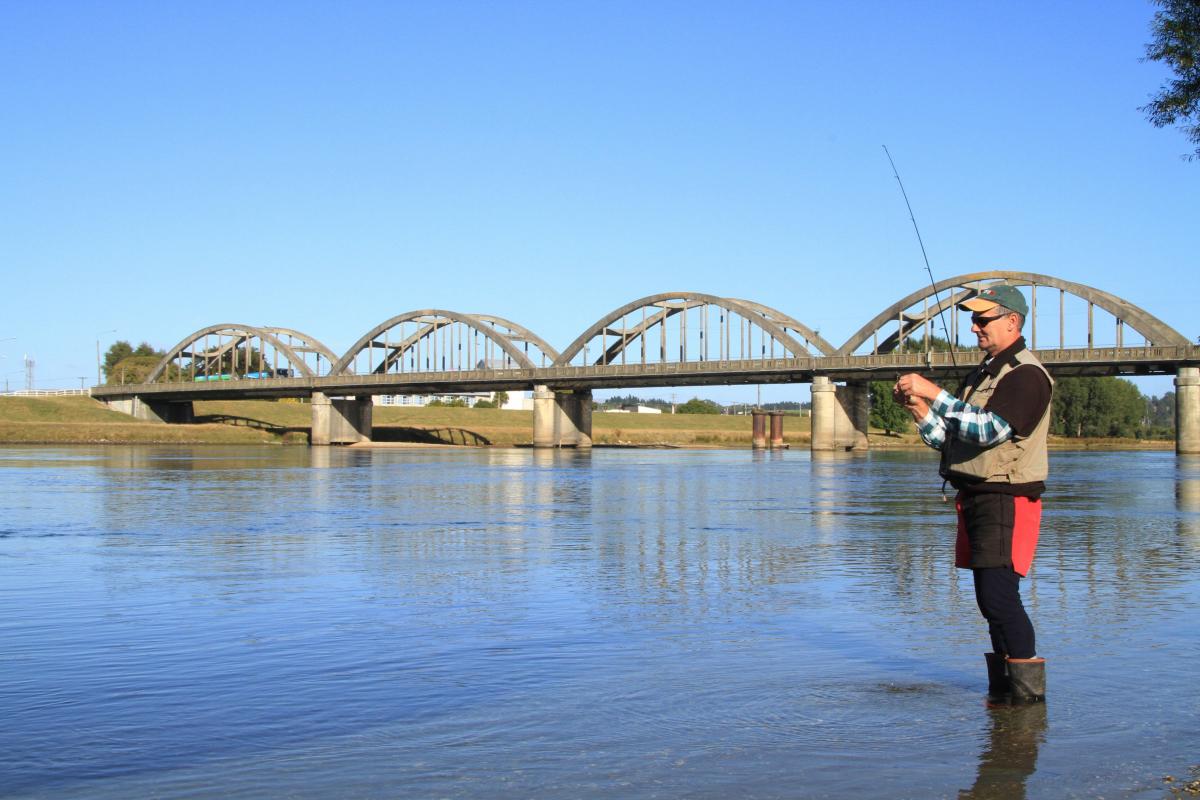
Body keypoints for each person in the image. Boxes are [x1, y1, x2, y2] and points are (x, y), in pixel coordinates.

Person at [893, 284, 1053, 705]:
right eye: (974, 319)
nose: (974, 326)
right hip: (978, 498)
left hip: (1008, 500)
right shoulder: (982, 374)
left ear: (1012, 321)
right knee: (989, 600)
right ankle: (1007, 707)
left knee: (999, 597)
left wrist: (933, 391)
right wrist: (919, 410)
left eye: (984, 319)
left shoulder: (1026, 375)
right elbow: (953, 439)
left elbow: (989, 430)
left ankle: (1028, 703)